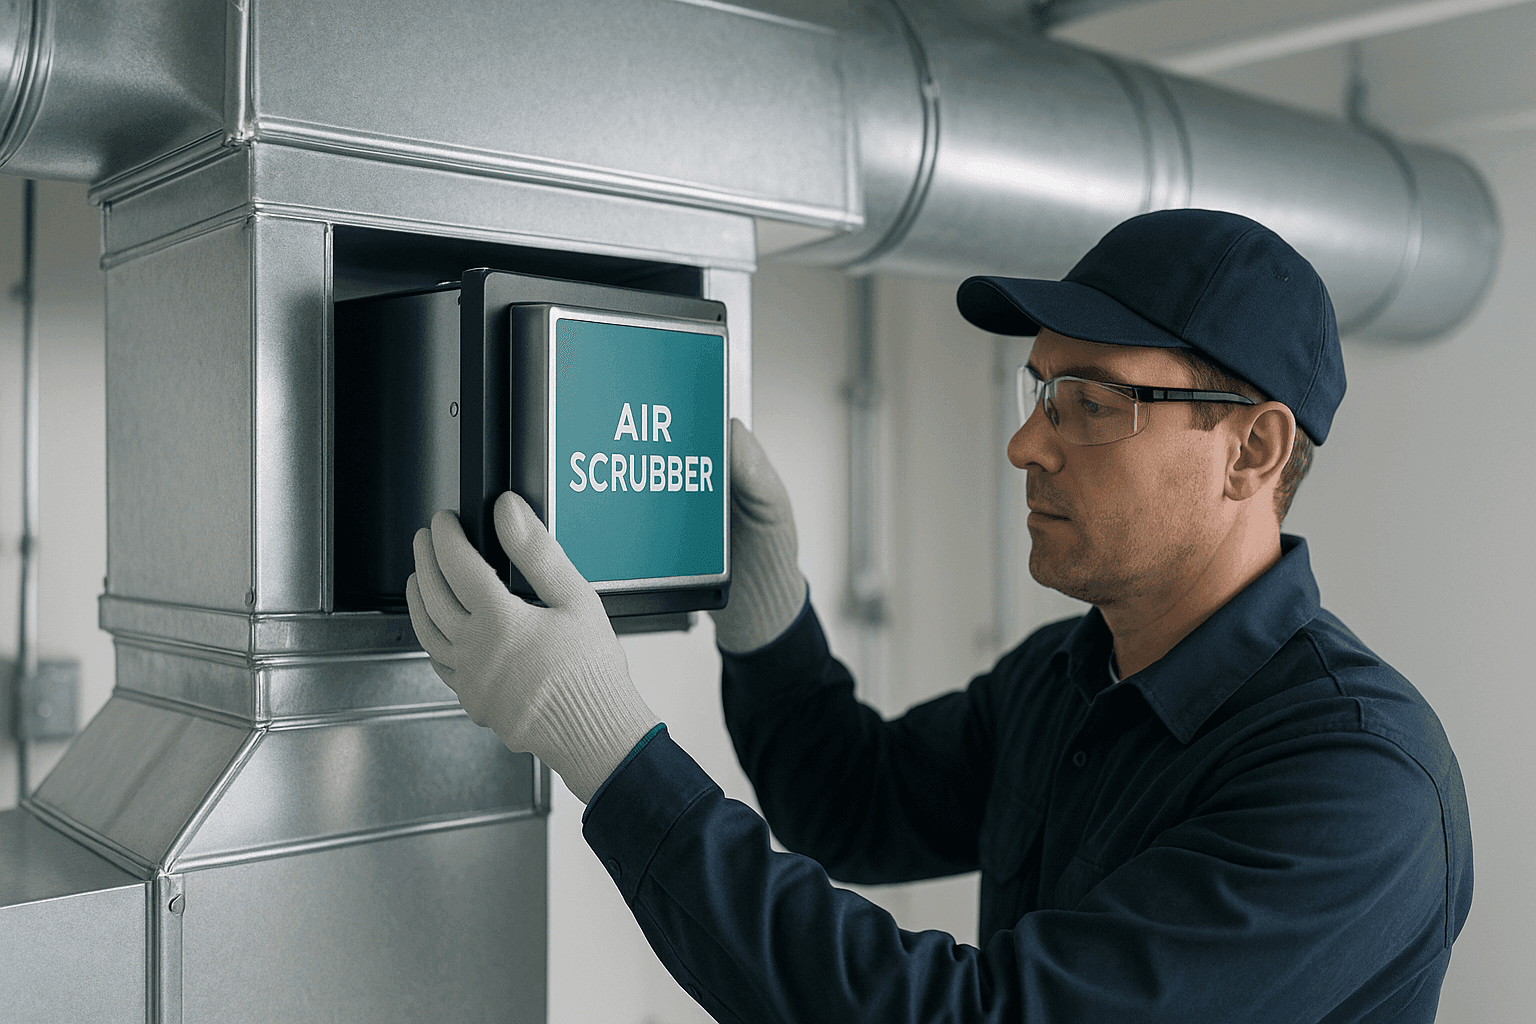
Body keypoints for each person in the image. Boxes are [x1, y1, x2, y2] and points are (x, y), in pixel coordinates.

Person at [406, 209, 1472, 1023]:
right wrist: (765, 607)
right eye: (1039, 390)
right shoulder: (1076, 671)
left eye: (1091, 404)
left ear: (1253, 450)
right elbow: (851, 800)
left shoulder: (1355, 784)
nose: (1027, 445)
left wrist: (603, 747)